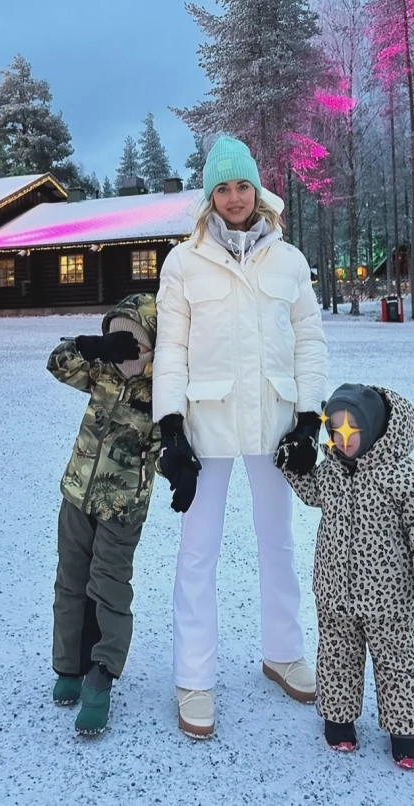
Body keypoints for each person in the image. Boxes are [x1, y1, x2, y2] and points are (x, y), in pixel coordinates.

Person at [153, 136, 327, 739]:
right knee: (198, 552)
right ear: (210, 196)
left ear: (257, 190)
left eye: (243, 186)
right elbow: (171, 350)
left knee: (277, 542)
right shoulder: (184, 263)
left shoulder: (288, 260)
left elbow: (309, 341)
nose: (234, 198)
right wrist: (171, 428)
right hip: (207, 426)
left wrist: (308, 418)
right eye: (223, 188)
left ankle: (283, 652)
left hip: (274, 425)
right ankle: (194, 677)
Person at [277, 383, 414, 770]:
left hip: (389, 599)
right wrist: (290, 462)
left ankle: (405, 731)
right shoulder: (332, 471)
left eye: (352, 429)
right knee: (337, 656)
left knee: (397, 663)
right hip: (335, 591)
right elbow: (312, 491)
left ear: (373, 427)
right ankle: (338, 719)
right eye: (335, 430)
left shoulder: (407, 479)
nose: (343, 439)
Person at [46, 293, 160, 735]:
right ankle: (68, 667)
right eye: (117, 338)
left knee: (109, 587)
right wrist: (92, 346)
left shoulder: (159, 388)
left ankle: (101, 676)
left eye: (135, 341)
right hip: (77, 493)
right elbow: (57, 363)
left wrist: (177, 462)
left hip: (122, 506)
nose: (127, 349)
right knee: (70, 581)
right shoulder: (101, 371)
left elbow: (171, 437)